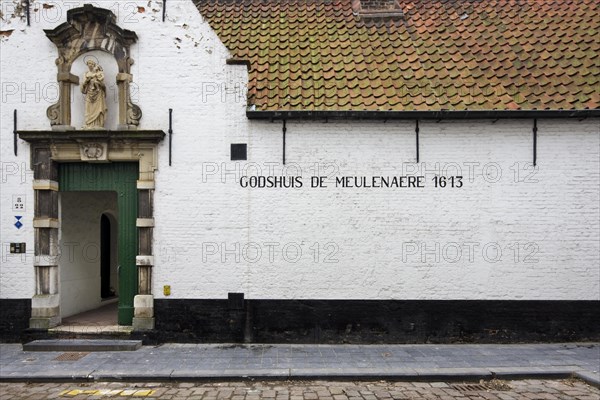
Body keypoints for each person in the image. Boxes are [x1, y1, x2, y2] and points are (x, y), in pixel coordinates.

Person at [81, 59, 107, 129]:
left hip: (98, 94)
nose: (90, 65)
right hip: (89, 93)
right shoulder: (86, 74)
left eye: (92, 64)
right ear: (87, 65)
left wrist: (98, 82)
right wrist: (87, 81)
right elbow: (83, 86)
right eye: (89, 63)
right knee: (88, 109)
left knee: (99, 109)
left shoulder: (98, 73)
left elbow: (102, 83)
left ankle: (98, 124)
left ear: (94, 65)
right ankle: (89, 124)